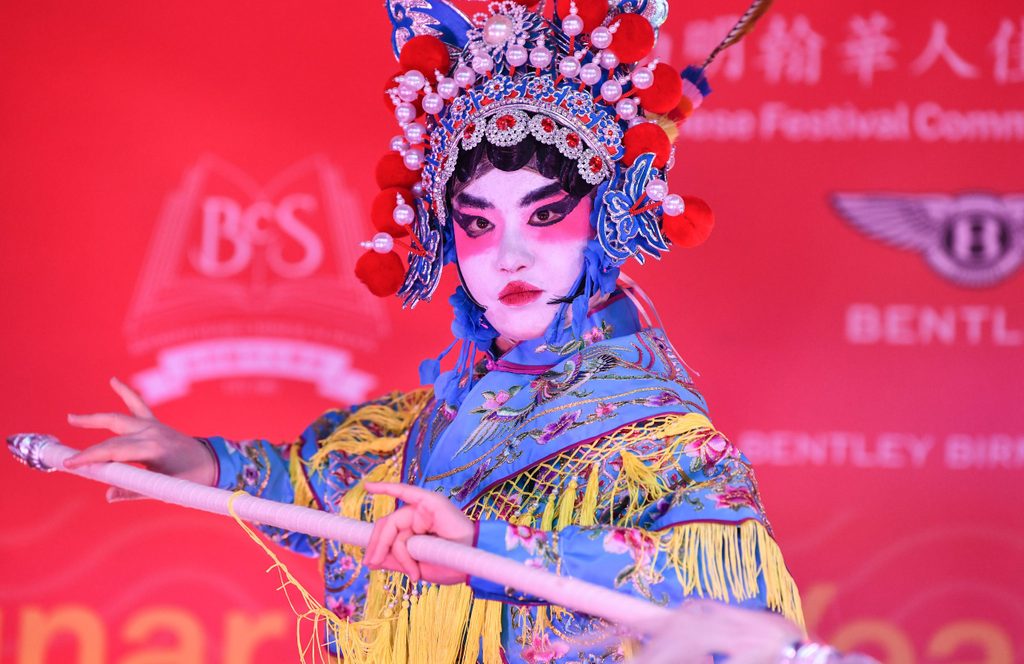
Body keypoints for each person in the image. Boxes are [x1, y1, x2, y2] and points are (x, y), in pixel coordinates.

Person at [63, 0, 826, 661]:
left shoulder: (651, 433)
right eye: (477, 223)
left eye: (546, 214)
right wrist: (196, 462)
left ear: (608, 215)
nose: (511, 255)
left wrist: (488, 551)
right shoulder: (420, 427)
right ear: (442, 235)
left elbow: (729, 583)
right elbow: (319, 488)